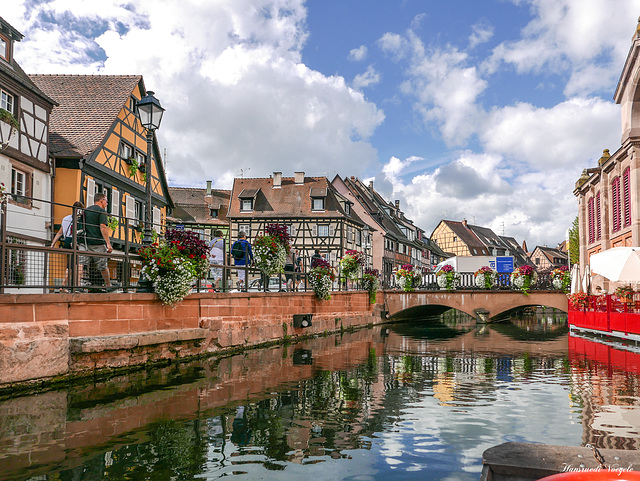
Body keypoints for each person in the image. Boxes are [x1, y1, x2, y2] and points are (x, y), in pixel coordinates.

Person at [50, 201, 85, 291]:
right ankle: (77, 284)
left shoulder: (66, 218)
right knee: (79, 264)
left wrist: (53, 243)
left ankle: (64, 285)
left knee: (70, 265)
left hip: (67, 241)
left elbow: (60, 232)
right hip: (75, 241)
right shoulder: (80, 220)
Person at [83, 193, 114, 291]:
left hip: (86, 242)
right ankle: (108, 286)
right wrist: (108, 243)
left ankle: (76, 286)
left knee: (81, 264)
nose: (107, 203)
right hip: (98, 243)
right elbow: (103, 227)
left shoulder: (86, 210)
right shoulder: (102, 211)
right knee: (103, 266)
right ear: (101, 200)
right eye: (106, 201)